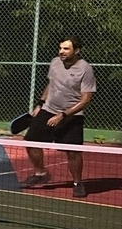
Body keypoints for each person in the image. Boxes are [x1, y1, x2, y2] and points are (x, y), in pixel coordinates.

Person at [20, 37, 97, 198]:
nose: (61, 51)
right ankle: (41, 173)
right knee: (31, 142)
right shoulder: (55, 62)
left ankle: (77, 183)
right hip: (48, 109)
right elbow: (51, 84)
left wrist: (62, 115)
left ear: (76, 51)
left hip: (72, 115)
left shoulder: (85, 69)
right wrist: (40, 104)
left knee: (73, 151)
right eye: (60, 48)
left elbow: (86, 99)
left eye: (66, 49)